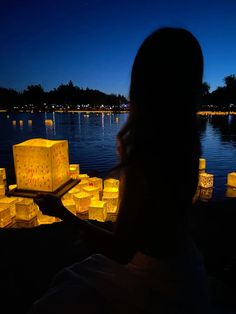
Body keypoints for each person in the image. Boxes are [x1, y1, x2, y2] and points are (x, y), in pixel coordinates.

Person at [28, 27, 211, 313]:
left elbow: (122, 251)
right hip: (185, 267)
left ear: (141, 83)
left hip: (155, 282)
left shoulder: (147, 153)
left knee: (58, 297)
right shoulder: (187, 141)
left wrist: (62, 212)